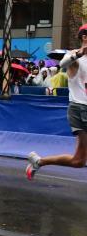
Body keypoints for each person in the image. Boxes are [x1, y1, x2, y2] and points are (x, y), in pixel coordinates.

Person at [26, 26, 87, 180]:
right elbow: (63, 63)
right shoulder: (75, 56)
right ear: (84, 37)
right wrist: (79, 53)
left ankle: (39, 162)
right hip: (80, 109)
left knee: (79, 161)